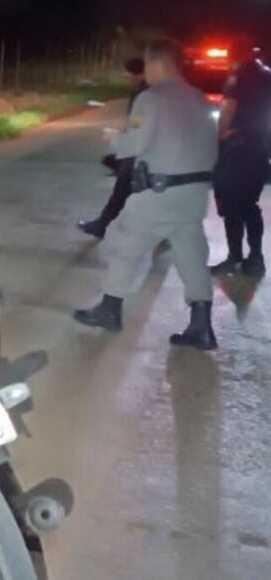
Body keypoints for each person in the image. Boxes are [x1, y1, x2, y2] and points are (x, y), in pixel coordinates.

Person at [74, 39, 219, 351]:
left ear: (156, 65)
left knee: (123, 243)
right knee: (192, 255)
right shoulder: (202, 100)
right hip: (194, 196)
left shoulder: (150, 99)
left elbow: (135, 145)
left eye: (146, 65)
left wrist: (116, 139)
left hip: (158, 192)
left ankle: (110, 309)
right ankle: (202, 325)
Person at [209, 44, 271, 279]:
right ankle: (256, 258)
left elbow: (228, 110)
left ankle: (234, 257)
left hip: (236, 151)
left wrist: (220, 134)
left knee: (232, 207)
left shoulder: (238, 78)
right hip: (259, 150)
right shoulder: (267, 75)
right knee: (250, 206)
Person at [77, 57, 148, 238]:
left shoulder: (144, 93)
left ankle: (102, 225)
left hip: (141, 150)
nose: (127, 78)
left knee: (123, 189)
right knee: (133, 191)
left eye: (129, 74)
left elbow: (140, 121)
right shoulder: (143, 91)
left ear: (139, 74)